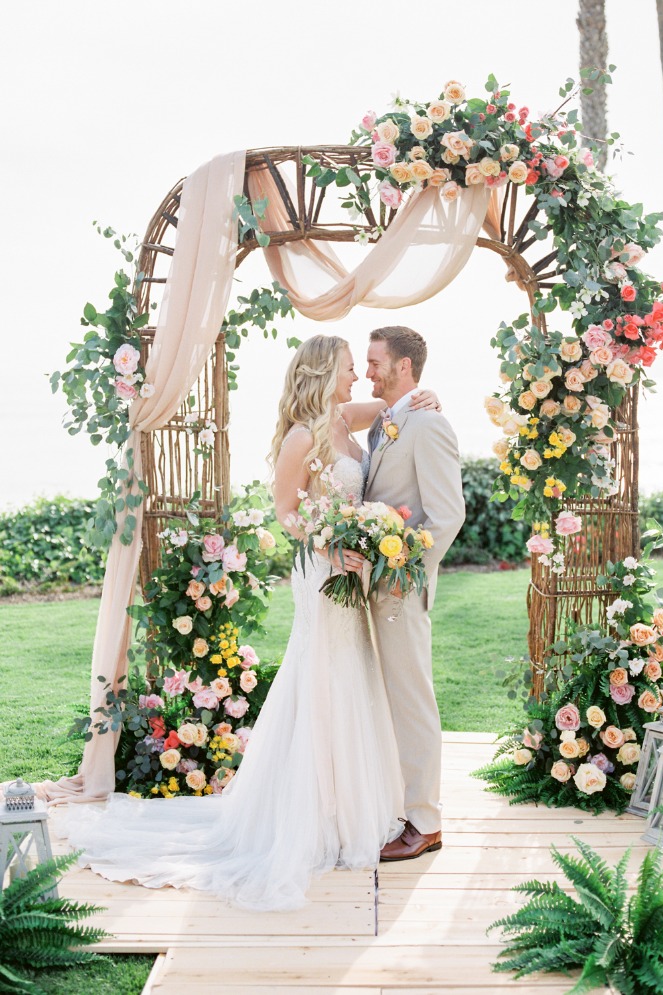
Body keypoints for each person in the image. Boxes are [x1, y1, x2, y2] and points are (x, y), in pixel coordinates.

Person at [59, 333, 441, 910]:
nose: (356, 377)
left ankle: (353, 809)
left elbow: (396, 406)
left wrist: (427, 395)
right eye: (346, 368)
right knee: (321, 681)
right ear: (321, 373)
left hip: (355, 582)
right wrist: (331, 548)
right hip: (323, 575)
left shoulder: (345, 417)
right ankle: (311, 819)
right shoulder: (300, 437)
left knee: (355, 681)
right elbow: (286, 513)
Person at [363, 326, 465, 862]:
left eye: (376, 362)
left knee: (411, 702)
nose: (367, 370)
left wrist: (403, 570)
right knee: (382, 702)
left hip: (399, 590)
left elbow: (447, 515)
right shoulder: (388, 421)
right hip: (370, 588)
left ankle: (424, 821)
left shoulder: (427, 424)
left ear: (404, 366)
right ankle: (396, 806)